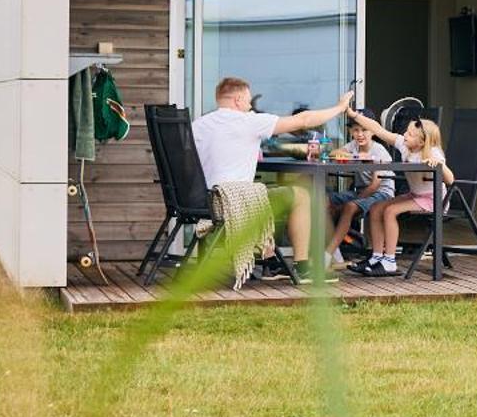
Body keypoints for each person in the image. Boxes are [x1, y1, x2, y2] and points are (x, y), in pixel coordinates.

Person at [192, 76, 355, 280]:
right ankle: (302, 267)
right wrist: (339, 108)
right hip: (232, 203)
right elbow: (303, 120)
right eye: (248, 101)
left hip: (205, 202)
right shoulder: (249, 121)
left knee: (268, 190)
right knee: (301, 195)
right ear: (238, 99)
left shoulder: (198, 125)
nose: (250, 106)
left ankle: (270, 259)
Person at [345, 108, 454, 277]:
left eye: (410, 134)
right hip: (416, 195)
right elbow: (377, 129)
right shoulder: (404, 146)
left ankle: (389, 262)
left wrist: (439, 165)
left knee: (390, 211)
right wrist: (355, 116)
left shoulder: (432, 152)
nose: (404, 135)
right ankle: (376, 257)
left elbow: (450, 180)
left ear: (421, 141)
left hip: (434, 200)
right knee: (376, 208)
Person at [323, 117, 395, 267]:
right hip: (362, 191)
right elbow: (333, 153)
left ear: (373, 131)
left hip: (382, 193)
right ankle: (335, 251)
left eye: (364, 130)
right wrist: (353, 156)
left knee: (349, 207)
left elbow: (376, 185)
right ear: (350, 131)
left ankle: (327, 254)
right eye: (356, 130)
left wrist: (355, 201)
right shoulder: (353, 146)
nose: (360, 134)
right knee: (325, 201)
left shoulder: (379, 151)